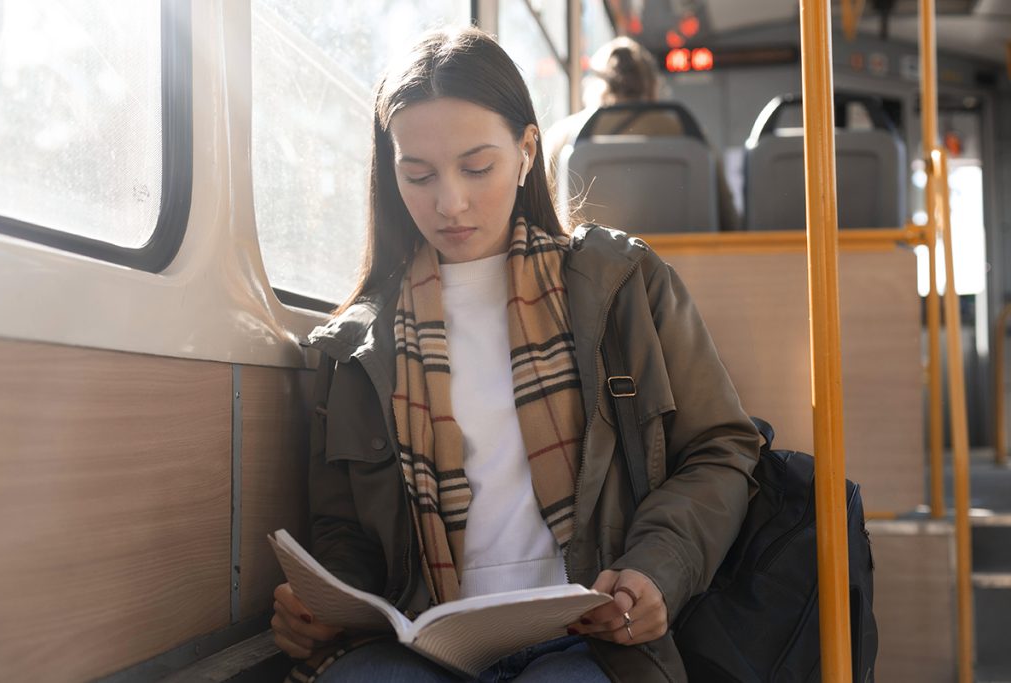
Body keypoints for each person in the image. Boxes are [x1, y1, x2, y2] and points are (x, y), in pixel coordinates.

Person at [270, 26, 758, 683]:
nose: (451, 203)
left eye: (478, 168)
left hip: (589, 639)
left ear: (527, 151)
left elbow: (721, 446)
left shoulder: (623, 286)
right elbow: (342, 530)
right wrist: (325, 605)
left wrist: (655, 571)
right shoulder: (357, 343)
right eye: (418, 174)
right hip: (424, 640)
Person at [545, 36, 741, 231]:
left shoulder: (562, 137)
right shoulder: (690, 135)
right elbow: (728, 220)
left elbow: (542, 216)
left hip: (586, 262)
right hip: (688, 261)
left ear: (594, 84)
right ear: (652, 84)